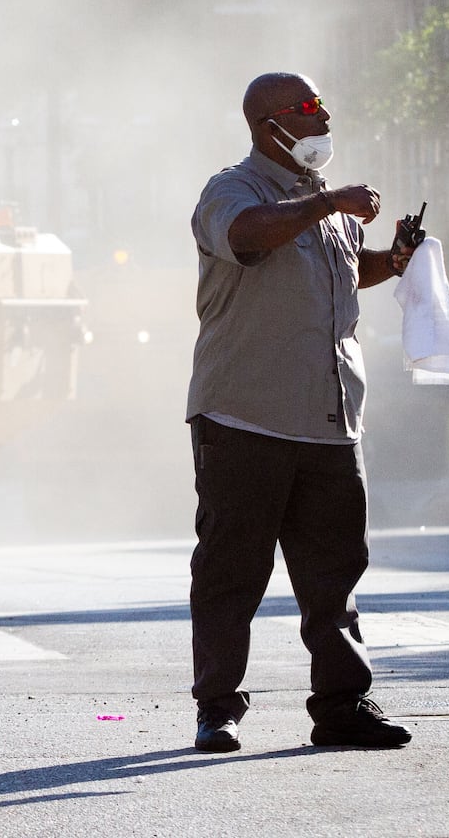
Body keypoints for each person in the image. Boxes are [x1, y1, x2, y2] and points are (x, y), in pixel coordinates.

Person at [186, 72, 418, 753]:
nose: (322, 119)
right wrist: (328, 205)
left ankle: (342, 705)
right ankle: (218, 708)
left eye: (322, 108)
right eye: (306, 109)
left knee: (335, 574)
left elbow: (349, 273)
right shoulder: (232, 190)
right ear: (267, 122)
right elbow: (250, 237)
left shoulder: (329, 204)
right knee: (232, 573)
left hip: (329, 418)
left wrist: (394, 260)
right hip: (244, 417)